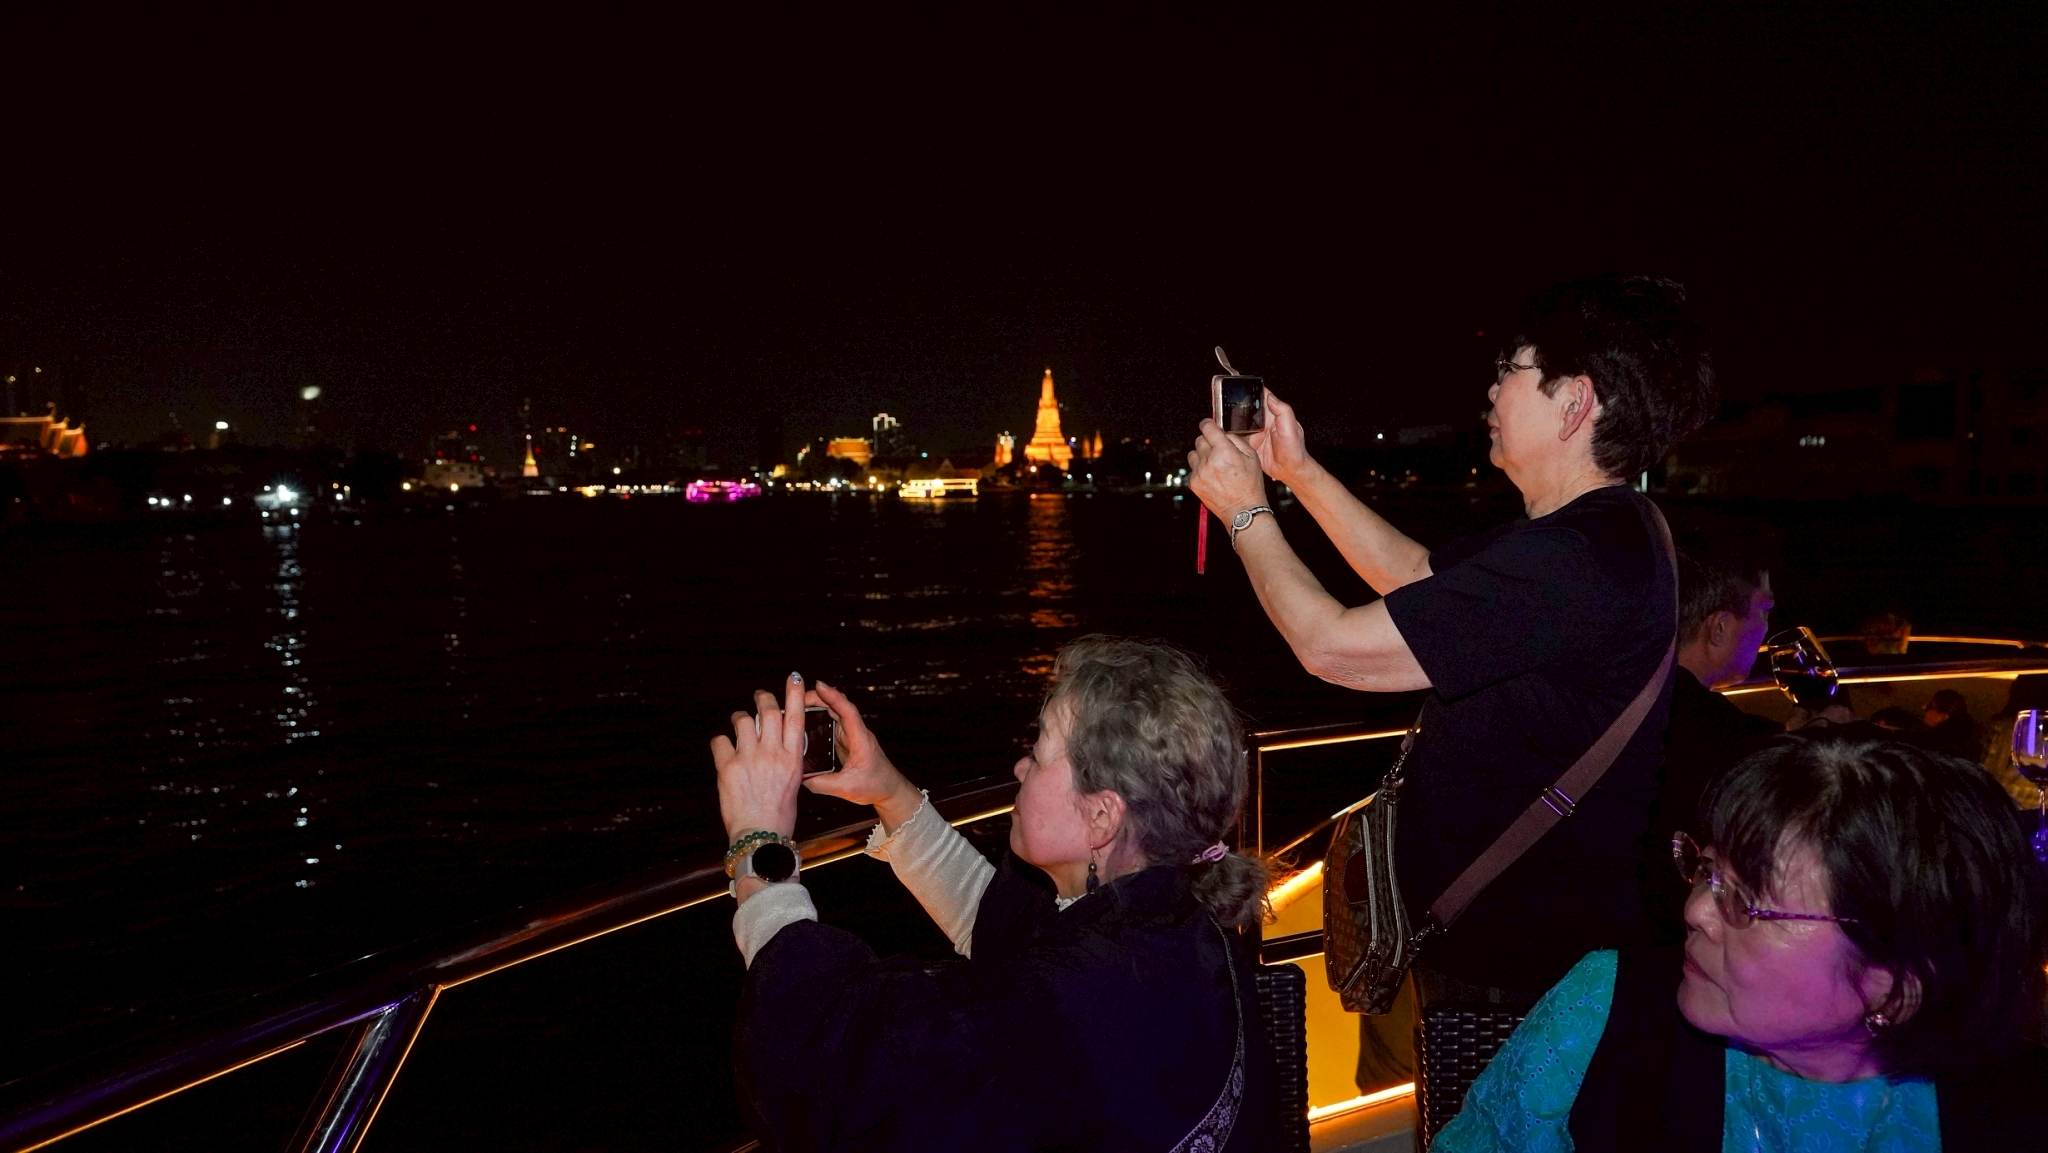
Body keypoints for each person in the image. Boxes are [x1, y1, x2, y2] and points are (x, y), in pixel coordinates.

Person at [1187, 274, 1717, 1001]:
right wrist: (1297, 471)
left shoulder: (1580, 561)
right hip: (1503, 950)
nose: (1492, 390)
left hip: (1513, 975)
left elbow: (1330, 647)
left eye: (1511, 368)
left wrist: (1245, 512)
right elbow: (1412, 574)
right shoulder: (1602, 533)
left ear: (1575, 402)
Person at [713, 637, 1281, 1152]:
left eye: (1039, 752)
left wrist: (759, 846)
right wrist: (889, 791)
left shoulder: (1059, 1007)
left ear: (1102, 816)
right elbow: (1010, 934)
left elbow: (840, 1064)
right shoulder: (1177, 922)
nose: (1020, 765)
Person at [1435, 733, 2048, 1151]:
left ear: (1896, 987)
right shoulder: (1609, 1008)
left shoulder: (2017, 1114)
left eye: (1746, 902)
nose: (1696, 910)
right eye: (1707, 871)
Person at [1638, 548, 1780, 945]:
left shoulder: (1614, 702)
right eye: (1763, 611)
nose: (1766, 628)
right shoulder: (1733, 741)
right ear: (1719, 627)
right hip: (1667, 948)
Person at [1922, 688, 1983, 761]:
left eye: (1930, 706)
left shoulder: (1934, 746)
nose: (1924, 707)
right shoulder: (1969, 744)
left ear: (1945, 715)